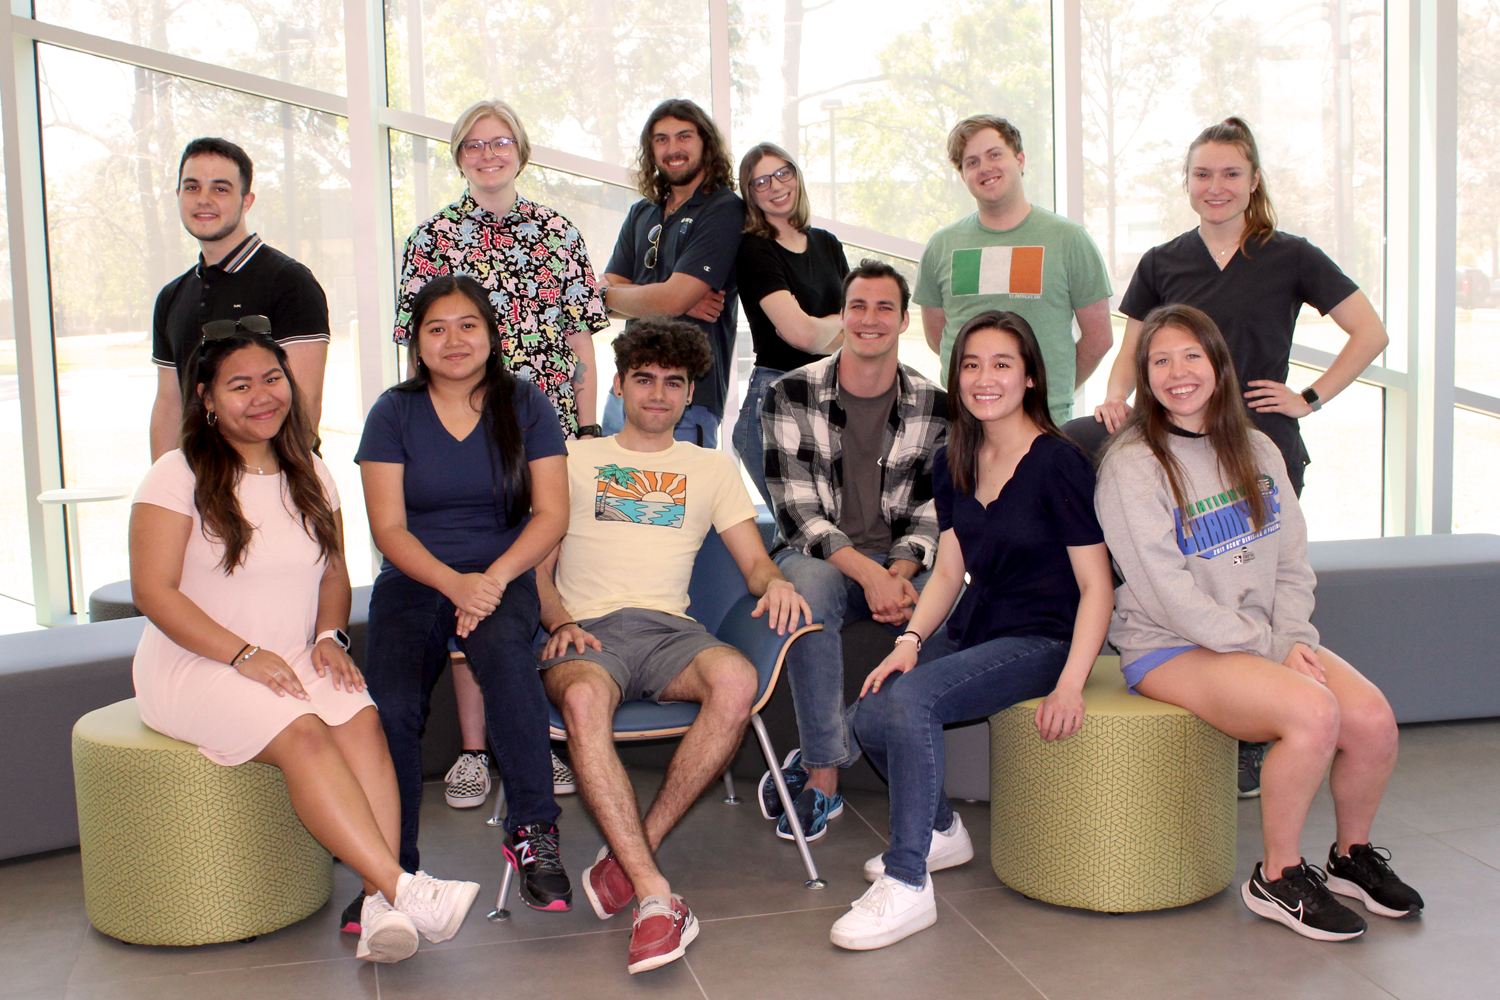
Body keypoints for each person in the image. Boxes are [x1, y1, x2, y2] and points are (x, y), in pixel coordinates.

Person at [129, 326, 479, 964]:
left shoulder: (311, 469)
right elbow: (153, 592)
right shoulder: (175, 474)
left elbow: (334, 572)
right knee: (305, 731)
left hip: (292, 654)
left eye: (272, 379)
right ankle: (404, 887)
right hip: (198, 663)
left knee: (363, 719)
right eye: (240, 386)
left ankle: (378, 907)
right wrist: (243, 655)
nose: (262, 396)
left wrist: (329, 636)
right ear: (207, 398)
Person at [1084, 116, 1390, 797]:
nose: (1215, 186)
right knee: (1195, 585)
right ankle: (1244, 712)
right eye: (1202, 174)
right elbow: (1135, 350)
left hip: (1258, 448)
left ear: (1253, 181)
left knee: (1258, 580)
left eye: (1230, 173)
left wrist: (1309, 397)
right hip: (1178, 452)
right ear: (1187, 183)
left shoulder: (1291, 255)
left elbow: (1370, 332)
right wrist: (1114, 399)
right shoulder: (1163, 261)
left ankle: (1260, 736)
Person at [1094, 304, 1421, 943]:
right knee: (1313, 713)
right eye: (1160, 361)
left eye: (1192, 356)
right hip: (1169, 645)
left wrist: (1290, 638)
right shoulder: (1132, 464)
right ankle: (1277, 876)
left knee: (1373, 720)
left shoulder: (1258, 447)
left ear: (1218, 364)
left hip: (1261, 639)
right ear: (1144, 376)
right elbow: (1167, 597)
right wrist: (1271, 647)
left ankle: (1350, 857)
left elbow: (1292, 562)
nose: (1177, 373)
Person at [831, 310, 1112, 950]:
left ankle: (907, 882)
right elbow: (949, 568)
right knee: (870, 713)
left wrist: (1071, 684)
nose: (985, 378)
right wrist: (909, 642)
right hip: (977, 623)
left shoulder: (1060, 463)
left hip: (1045, 637)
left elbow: (1098, 587)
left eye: (1002, 364)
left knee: (911, 702)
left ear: (1031, 377)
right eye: (972, 365)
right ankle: (940, 834)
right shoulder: (953, 457)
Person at [536, 319, 810, 975]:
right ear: (620, 386)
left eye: (673, 382)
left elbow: (754, 564)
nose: (658, 394)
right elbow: (536, 572)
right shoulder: (573, 459)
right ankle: (656, 895)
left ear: (690, 393)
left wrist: (776, 583)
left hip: (671, 633)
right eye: (644, 379)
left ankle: (632, 854)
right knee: (582, 701)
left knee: (737, 680)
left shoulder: (711, 468)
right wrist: (559, 621)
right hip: (588, 630)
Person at [392, 100, 607, 807]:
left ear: (522, 150)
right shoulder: (430, 239)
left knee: (534, 587)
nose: (489, 154)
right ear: (458, 156)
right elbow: (416, 354)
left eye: (501, 141)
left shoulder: (558, 232)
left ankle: (537, 741)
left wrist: (585, 431)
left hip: (545, 437)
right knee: (472, 587)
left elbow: (581, 344)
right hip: (462, 439)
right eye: (474, 144)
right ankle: (475, 751)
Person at [356, 275, 573, 929]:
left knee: (507, 662)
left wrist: (494, 580)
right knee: (392, 705)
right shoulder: (393, 412)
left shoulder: (526, 403)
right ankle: (392, 871)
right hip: (416, 577)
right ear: (417, 343)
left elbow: (552, 514)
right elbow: (388, 529)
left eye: (467, 325)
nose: (453, 340)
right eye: (437, 328)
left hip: (502, 577)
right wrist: (455, 584)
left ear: (492, 335)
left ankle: (533, 830)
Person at [759, 260, 947, 843]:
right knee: (810, 592)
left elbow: (934, 512)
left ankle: (828, 747)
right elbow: (798, 514)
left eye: (884, 307)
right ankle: (823, 778)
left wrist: (899, 572)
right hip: (819, 556)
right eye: (858, 306)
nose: (870, 319)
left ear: (905, 320)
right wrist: (872, 576)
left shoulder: (937, 405)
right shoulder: (789, 393)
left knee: (958, 604)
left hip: (901, 561)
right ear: (842, 316)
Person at [914, 115, 1112, 425]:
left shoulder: (1069, 240)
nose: (985, 168)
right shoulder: (941, 246)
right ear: (963, 175)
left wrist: (1049, 388)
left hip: (1045, 422)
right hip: (966, 425)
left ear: (1020, 159)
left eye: (995, 154)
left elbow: (1099, 338)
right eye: (972, 162)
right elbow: (938, 337)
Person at [150, 138, 331, 460]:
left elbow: (304, 404)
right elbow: (169, 403)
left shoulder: (289, 281)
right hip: (197, 480)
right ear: (178, 195)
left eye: (220, 189)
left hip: (276, 479)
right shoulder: (171, 296)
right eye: (192, 187)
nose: (203, 200)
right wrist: (164, 482)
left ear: (247, 201)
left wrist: (262, 483)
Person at [599, 99, 745, 447]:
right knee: (611, 483)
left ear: (705, 143)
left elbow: (669, 298)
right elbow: (606, 294)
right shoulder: (642, 212)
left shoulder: (724, 209)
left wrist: (661, 299)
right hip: (626, 391)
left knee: (674, 486)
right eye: (661, 139)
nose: (673, 148)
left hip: (688, 397)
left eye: (684, 136)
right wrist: (666, 299)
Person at [731, 142, 848, 506]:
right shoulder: (754, 251)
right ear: (750, 194)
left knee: (836, 521)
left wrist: (819, 329)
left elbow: (857, 331)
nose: (776, 186)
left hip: (832, 394)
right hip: (777, 398)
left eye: (783, 173)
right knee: (800, 527)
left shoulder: (827, 244)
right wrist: (836, 323)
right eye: (761, 181)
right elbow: (800, 335)